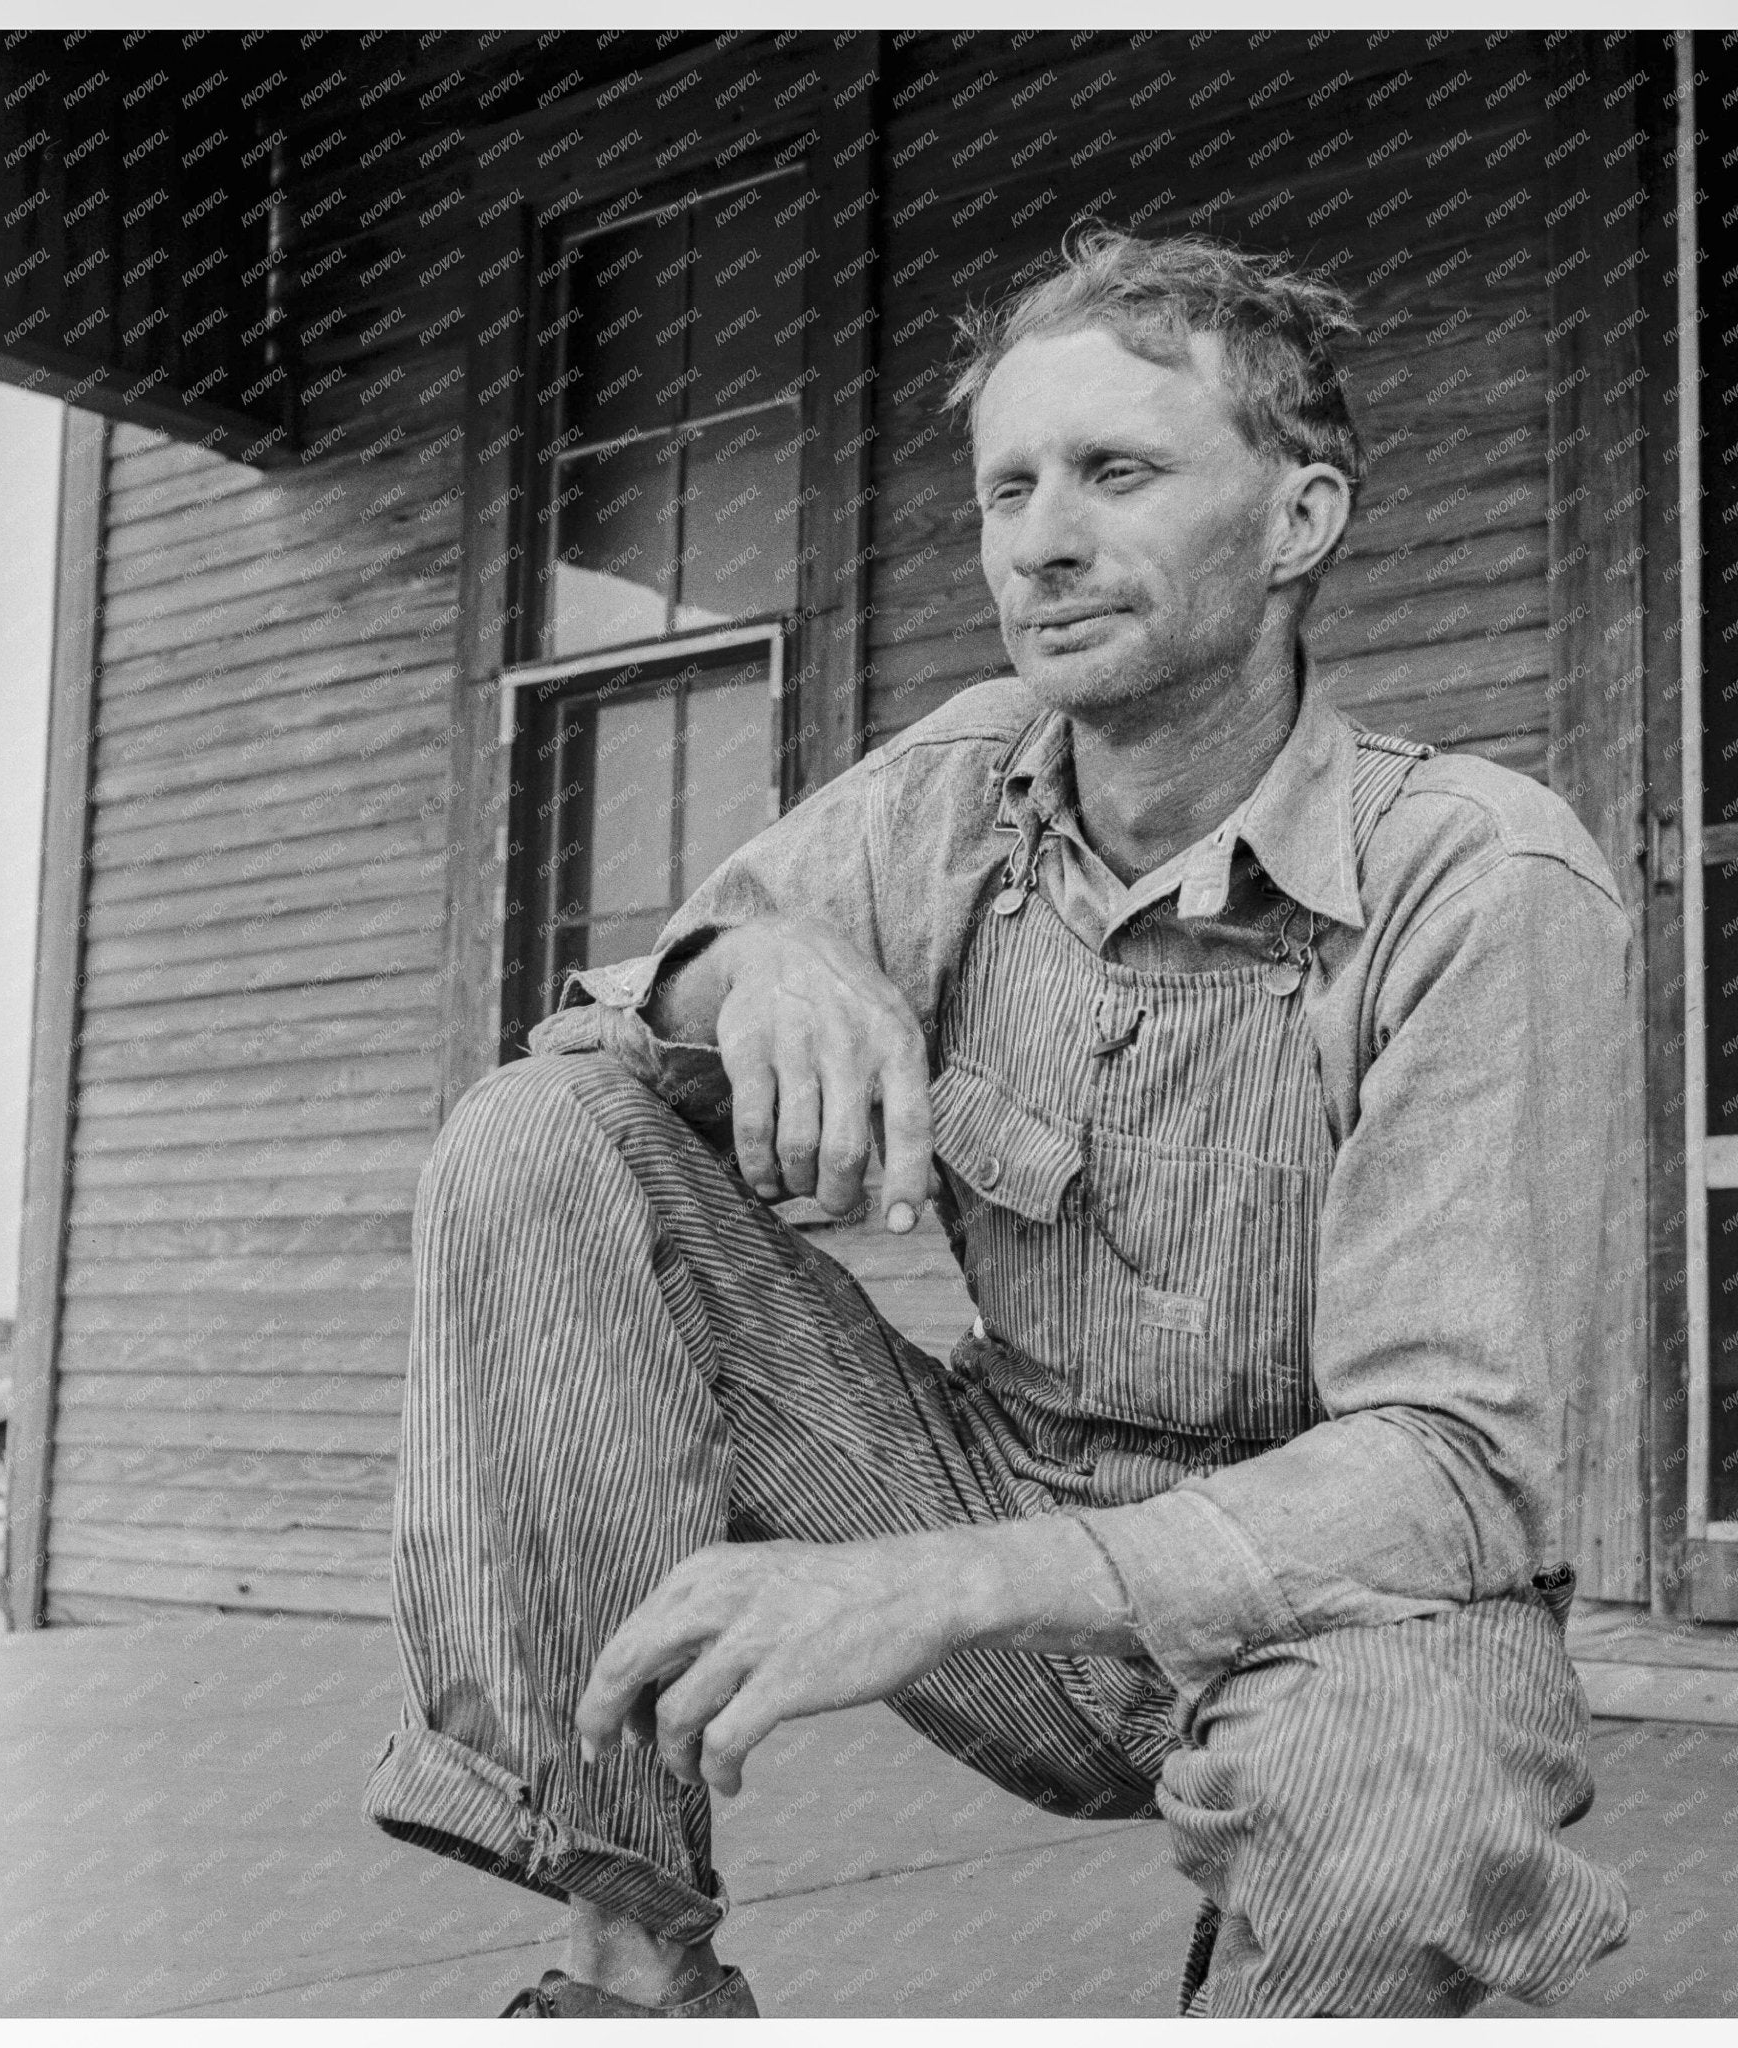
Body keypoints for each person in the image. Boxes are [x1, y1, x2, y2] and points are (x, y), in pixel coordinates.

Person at [364, 225, 1635, 2018]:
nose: (1041, 537)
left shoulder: (1483, 883)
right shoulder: (954, 787)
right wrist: (754, 959)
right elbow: (611, 1035)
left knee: (1393, 1835)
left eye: (1119, 473)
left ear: (1300, 522)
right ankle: (635, 1969)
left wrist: (923, 1586)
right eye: (1008, 486)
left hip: (1356, 1607)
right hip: (1005, 1495)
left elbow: (1454, 1471)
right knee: (536, 1134)